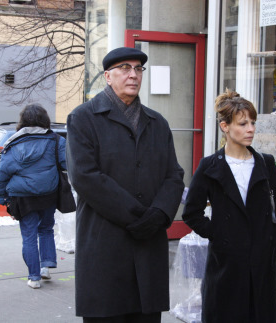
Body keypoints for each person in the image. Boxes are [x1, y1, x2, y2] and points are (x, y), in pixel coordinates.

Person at [66, 47, 185, 323]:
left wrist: (159, 214)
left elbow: (174, 175)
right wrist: (138, 216)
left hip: (148, 246)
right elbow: (84, 176)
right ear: (108, 76)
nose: (133, 74)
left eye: (138, 68)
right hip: (105, 245)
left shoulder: (157, 123)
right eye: (125, 68)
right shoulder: (83, 118)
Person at [182, 89, 276, 323]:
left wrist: (273, 230)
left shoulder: (265, 162)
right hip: (226, 264)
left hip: (261, 262)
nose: (250, 129)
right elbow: (192, 212)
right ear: (225, 127)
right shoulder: (210, 166)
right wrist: (219, 234)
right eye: (242, 124)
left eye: (252, 122)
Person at [0, 104, 66, 289]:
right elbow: (68, 164)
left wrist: (2, 197)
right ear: (45, 120)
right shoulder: (56, 140)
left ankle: (34, 277)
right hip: (49, 194)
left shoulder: (13, 142)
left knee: (29, 236)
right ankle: (46, 266)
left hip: (22, 197)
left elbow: (2, 173)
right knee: (46, 229)